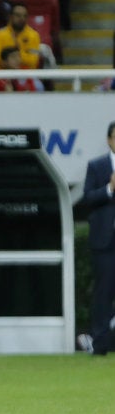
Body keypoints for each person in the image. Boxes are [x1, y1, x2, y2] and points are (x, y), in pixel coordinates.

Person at [77, 122, 115, 356]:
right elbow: (87, 198)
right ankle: (100, 344)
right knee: (104, 293)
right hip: (106, 241)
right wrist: (109, 189)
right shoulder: (97, 166)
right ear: (109, 140)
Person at [0, 3, 41, 70]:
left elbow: (33, 61)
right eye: (18, 15)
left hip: (26, 74)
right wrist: (14, 59)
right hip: (2, 72)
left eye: (25, 16)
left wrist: (13, 57)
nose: (22, 18)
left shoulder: (34, 35)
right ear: (10, 17)